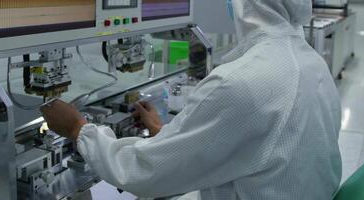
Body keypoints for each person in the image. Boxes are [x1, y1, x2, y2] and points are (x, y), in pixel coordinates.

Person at [41, 0, 343, 199]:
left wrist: (80, 129)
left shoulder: (240, 81)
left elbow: (142, 172)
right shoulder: (311, 63)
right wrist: (169, 136)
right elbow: (257, 145)